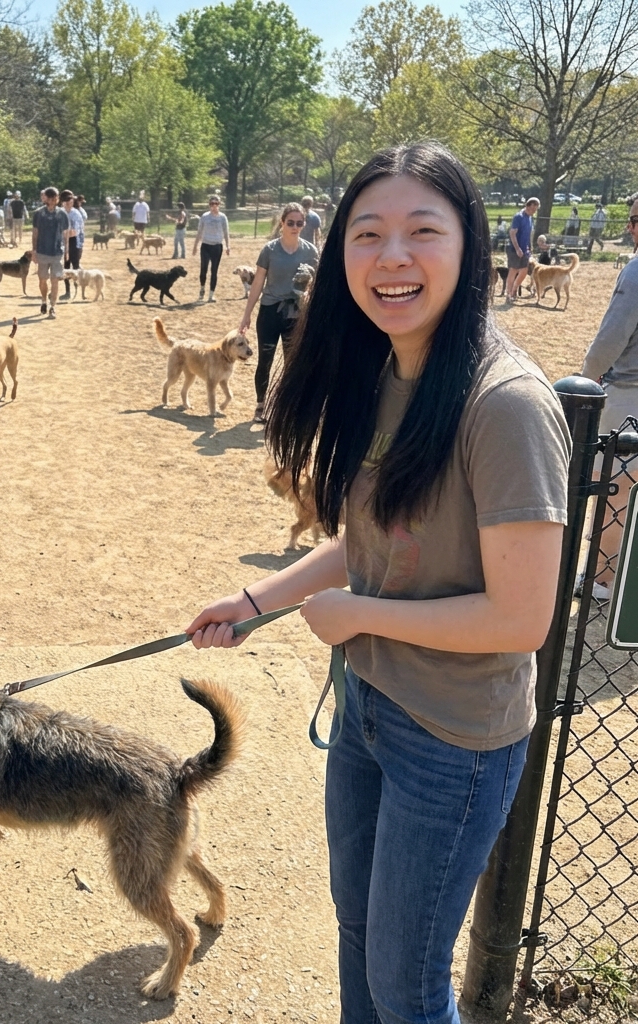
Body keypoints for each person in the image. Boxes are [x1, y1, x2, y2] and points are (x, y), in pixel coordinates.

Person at [187, 140, 570, 1024]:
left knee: (408, 983)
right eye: (368, 234)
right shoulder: (386, 372)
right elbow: (371, 548)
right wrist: (256, 603)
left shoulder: (504, 403)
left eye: (421, 231)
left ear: (469, 245)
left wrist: (355, 613)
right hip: (368, 707)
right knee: (358, 938)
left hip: (454, 740)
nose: (392, 257)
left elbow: (522, 617)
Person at [579, 197, 638, 600]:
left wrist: (585, 380)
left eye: (634, 220)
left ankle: (601, 578)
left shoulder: (636, 272)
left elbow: (610, 339)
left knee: (615, 486)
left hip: (628, 396)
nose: (631, 227)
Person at [238, 202, 319, 423]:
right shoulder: (270, 250)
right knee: (265, 360)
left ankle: (288, 407)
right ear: (282, 222)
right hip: (270, 311)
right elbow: (257, 284)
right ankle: (261, 405)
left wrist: (306, 294)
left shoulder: (311, 252)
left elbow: (316, 287)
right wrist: (247, 315)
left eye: (299, 223)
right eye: (290, 222)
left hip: (296, 313)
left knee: (293, 363)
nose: (295, 227)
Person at [31, 185, 70, 319]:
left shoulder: (62, 214)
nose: (54, 199)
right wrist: (34, 251)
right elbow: (35, 233)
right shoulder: (39, 214)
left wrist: (67, 251)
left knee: (55, 280)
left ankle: (53, 306)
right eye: (52, 197)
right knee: (43, 279)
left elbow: (65, 234)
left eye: (56, 197)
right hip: (42, 251)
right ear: (46, 198)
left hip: (57, 252)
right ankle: (43, 300)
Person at [193, 196, 230, 301]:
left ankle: (211, 294)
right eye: (212, 204)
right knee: (203, 269)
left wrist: (228, 246)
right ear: (209, 205)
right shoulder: (204, 217)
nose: (214, 206)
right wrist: (195, 246)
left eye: (216, 204)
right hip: (206, 245)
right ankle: (202, 289)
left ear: (219, 204)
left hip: (217, 246)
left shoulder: (223, 217)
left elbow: (226, 232)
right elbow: (199, 232)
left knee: (214, 270)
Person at [507, 197, 540, 300]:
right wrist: (517, 249)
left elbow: (529, 233)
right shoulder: (518, 217)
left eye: (536, 210)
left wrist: (530, 246)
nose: (535, 211)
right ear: (529, 206)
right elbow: (512, 233)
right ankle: (509, 294)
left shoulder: (530, 218)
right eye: (534, 209)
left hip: (524, 249)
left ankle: (514, 290)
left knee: (524, 271)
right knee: (514, 270)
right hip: (514, 248)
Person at [63, 189, 84, 299]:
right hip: (64, 241)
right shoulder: (60, 212)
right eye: (67, 201)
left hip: (74, 242)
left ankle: (78, 291)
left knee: (75, 267)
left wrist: (62, 233)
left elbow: (74, 232)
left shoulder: (76, 214)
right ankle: (67, 292)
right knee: (65, 267)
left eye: (71, 201)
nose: (69, 203)